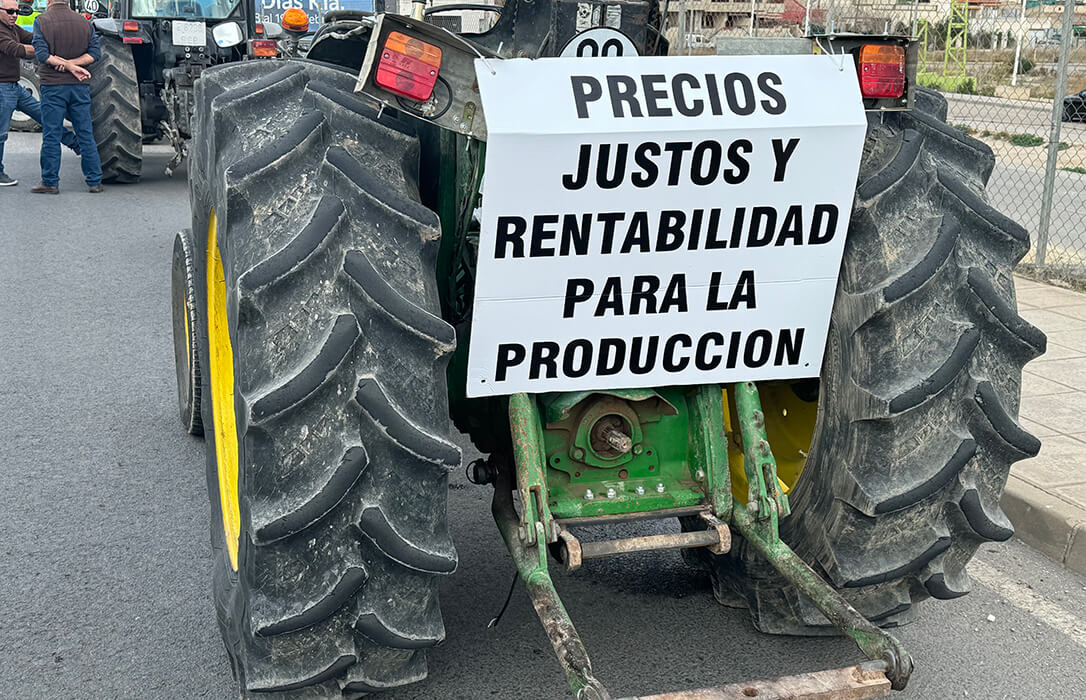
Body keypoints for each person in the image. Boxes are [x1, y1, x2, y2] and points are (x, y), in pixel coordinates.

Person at [0, 0, 79, 187]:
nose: (14, 15)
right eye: (10, 11)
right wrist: (47, 53)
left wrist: (54, 38)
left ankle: (79, 146)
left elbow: (31, 37)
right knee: (1, 134)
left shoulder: (12, 28)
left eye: (17, 11)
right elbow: (16, 49)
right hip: (2, 88)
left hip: (15, 87)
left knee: (47, 118)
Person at [30, 0, 101, 194]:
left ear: (48, 1)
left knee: (52, 135)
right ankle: (94, 181)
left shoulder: (41, 21)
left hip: (53, 86)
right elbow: (95, 53)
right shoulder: (84, 22)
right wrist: (74, 65)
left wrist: (67, 65)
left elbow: (42, 55)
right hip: (79, 87)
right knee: (85, 134)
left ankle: (50, 182)